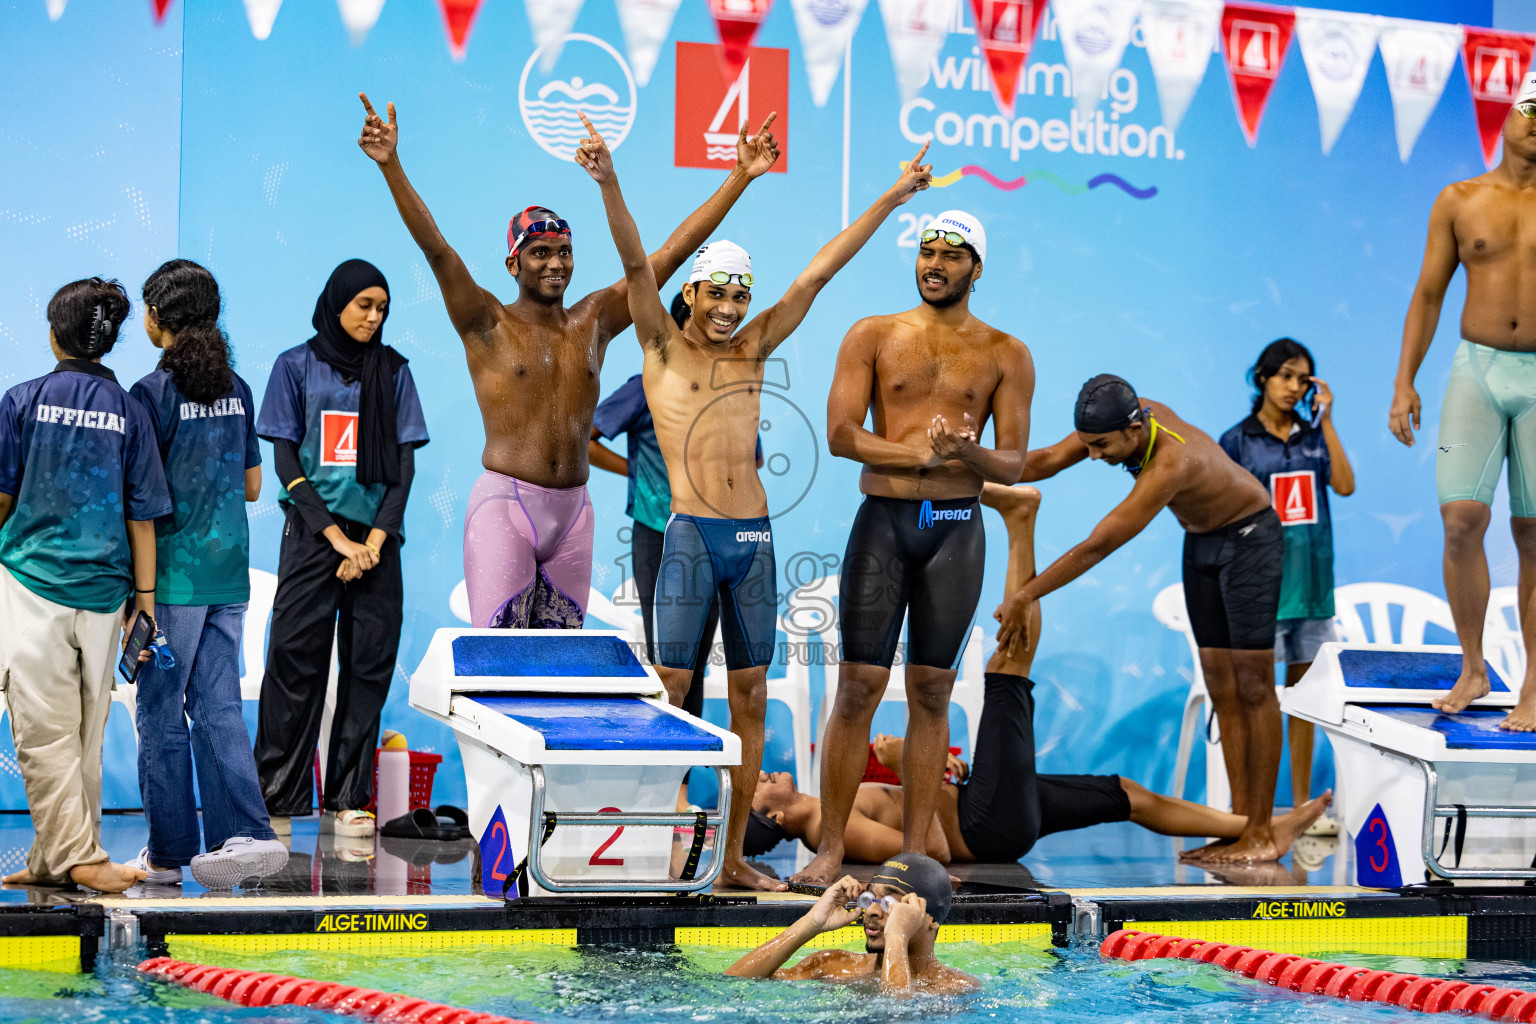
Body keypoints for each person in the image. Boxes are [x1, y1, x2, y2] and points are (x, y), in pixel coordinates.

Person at [578, 109, 933, 890]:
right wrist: (609, 182)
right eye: (718, 294)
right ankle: (651, 840)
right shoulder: (661, 348)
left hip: (755, 540)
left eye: (741, 296)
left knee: (749, 695)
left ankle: (733, 857)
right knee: (673, 690)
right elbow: (638, 265)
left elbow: (818, 273)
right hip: (689, 535)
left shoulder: (755, 347)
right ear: (694, 292)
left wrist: (891, 198)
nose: (731, 309)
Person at [356, 94, 779, 630]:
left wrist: (740, 176)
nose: (555, 263)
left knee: (558, 673)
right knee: (502, 666)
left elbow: (669, 255)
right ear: (514, 262)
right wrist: (392, 166)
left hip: (574, 514)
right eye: (540, 252)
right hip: (505, 505)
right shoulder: (486, 322)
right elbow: (437, 250)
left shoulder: (594, 321)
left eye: (564, 251)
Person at [747, 485, 1331, 865]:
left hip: (984, 802)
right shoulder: (830, 824)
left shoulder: (830, 804)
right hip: (983, 824)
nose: (765, 772)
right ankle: (1021, 522)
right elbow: (931, 851)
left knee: (1126, 794)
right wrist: (914, 770)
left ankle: (1264, 828)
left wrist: (920, 770)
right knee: (1007, 667)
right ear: (773, 815)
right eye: (757, 787)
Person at [802, 209, 1033, 884]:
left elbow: (1013, 464)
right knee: (858, 686)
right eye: (927, 251)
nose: (934, 263)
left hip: (956, 529)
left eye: (951, 254)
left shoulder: (1006, 353)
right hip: (886, 522)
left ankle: (918, 855)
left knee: (932, 690)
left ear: (976, 267)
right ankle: (833, 847)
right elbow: (842, 434)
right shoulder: (873, 335)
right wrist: (921, 460)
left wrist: (968, 452)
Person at [995, 376, 1286, 863]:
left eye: (1101, 447)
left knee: (1254, 687)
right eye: (1087, 445)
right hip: (1203, 542)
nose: (1092, 456)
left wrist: (1027, 593)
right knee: (1222, 686)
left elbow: (1099, 543)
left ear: (1133, 429)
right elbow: (1043, 460)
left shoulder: (1172, 460)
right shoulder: (1123, 416)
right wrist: (964, 458)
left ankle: (1261, 832)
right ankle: (1241, 826)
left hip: (1251, 540)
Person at [0, 277, 170, 892]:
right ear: (111, 340)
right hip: (107, 595)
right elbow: (141, 515)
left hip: (31, 584)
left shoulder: (23, 400)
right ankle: (63, 857)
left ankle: (77, 856)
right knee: (83, 736)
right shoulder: (130, 411)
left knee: (44, 734)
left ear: (53, 335)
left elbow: (1, 498)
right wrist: (143, 605)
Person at [254, 259, 429, 837]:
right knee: (294, 663)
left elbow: (402, 471)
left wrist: (372, 543)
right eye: (364, 306)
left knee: (367, 669)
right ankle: (277, 797)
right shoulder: (294, 367)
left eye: (382, 308)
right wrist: (335, 540)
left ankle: (348, 799)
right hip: (312, 536)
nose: (374, 318)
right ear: (337, 303)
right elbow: (285, 461)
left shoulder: (395, 372)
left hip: (377, 543)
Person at [128, 260, 289, 888]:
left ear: (159, 319)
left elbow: (140, 495)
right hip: (229, 576)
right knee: (218, 706)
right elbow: (253, 484)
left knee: (162, 713)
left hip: (170, 581)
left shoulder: (151, 394)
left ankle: (168, 855)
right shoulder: (238, 387)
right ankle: (244, 835)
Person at [1390, 71, 1536, 731]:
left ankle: (1535, 687)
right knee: (1460, 522)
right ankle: (1473, 665)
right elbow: (1427, 294)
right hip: (1475, 371)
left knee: (1534, 536)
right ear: (1507, 115)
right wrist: (1403, 382)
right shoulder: (1460, 199)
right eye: (1530, 109)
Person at [1220, 338, 1353, 835]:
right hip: (1262, 589)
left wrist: (1328, 422)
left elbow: (1344, 485)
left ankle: (1299, 807)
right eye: (1286, 376)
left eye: (1303, 379)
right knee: (1261, 701)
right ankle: (1254, 812)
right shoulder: (1236, 441)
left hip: (1313, 588)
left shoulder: (1314, 438)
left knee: (1304, 701)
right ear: (1263, 378)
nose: (1294, 387)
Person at [723, 853, 978, 994]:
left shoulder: (955, 986)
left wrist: (897, 937)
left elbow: (896, 1015)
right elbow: (733, 985)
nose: (873, 911)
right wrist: (812, 922)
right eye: (872, 897)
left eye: (891, 901)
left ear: (930, 919)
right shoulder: (832, 965)